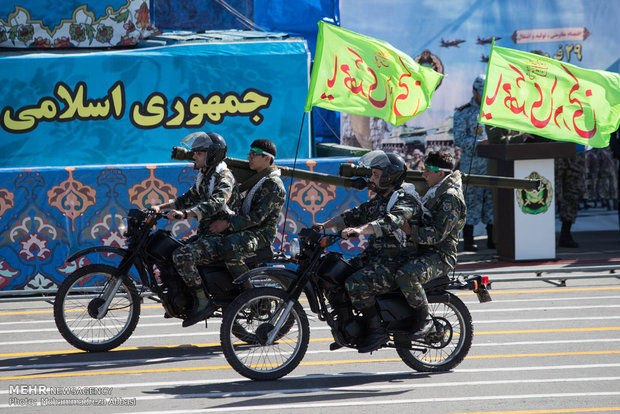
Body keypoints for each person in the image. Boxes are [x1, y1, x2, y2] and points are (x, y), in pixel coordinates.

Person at [317, 150, 422, 353]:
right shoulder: (380, 200)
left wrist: (360, 230)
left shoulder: (405, 199)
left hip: (398, 261)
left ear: (390, 176)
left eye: (375, 174)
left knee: (357, 283)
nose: (371, 178)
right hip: (376, 258)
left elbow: (391, 221)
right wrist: (322, 226)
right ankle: (347, 329)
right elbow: (353, 215)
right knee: (334, 274)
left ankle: (376, 332)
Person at [151, 131, 240, 327]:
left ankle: (202, 302)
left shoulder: (224, 177)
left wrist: (185, 214)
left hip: (223, 236)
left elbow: (216, 203)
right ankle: (183, 299)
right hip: (207, 234)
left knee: (183, 256)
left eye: (199, 153)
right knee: (172, 250)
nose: (194, 156)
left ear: (212, 155)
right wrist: (160, 207)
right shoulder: (205, 176)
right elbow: (186, 198)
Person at [396, 150, 466, 339]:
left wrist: (408, 229)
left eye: (428, 171)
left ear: (441, 173)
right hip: (423, 250)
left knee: (406, 275)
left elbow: (436, 235)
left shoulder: (449, 198)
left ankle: (424, 319)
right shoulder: (436, 191)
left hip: (440, 256)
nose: (423, 174)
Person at [208, 139, 286, 278]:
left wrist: (227, 224)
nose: (249, 157)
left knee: (229, 246)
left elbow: (256, 217)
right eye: (249, 153)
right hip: (249, 228)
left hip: (261, 233)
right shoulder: (260, 179)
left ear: (267, 158)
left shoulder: (272, 184)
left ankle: (247, 288)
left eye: (254, 154)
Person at [453, 74, 494, 251]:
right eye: (481, 93)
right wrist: (480, 144)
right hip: (473, 168)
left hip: (493, 166)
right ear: (474, 91)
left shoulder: (494, 112)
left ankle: (494, 239)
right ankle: (468, 241)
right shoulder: (463, 113)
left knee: (491, 204)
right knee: (471, 203)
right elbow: (459, 139)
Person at [555, 144, 586, 247]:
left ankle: (565, 233)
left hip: (576, 150)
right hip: (555, 149)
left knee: (573, 194)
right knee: (552, 193)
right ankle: (545, 234)